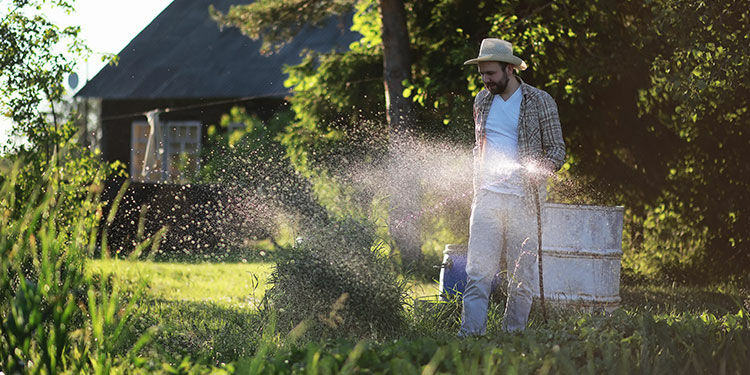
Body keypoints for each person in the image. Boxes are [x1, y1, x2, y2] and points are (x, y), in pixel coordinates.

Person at [460, 38, 565, 335]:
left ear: (509, 69)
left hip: (525, 202)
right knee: (478, 272)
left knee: (522, 277)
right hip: (487, 199)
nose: (486, 80)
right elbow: (477, 147)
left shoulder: (540, 100)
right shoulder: (482, 100)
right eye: (482, 74)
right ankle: (470, 335)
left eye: (491, 73)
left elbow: (557, 150)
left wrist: (540, 171)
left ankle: (514, 335)